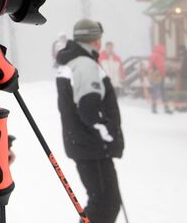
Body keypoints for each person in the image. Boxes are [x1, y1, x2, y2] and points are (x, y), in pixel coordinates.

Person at [55, 19, 124, 223]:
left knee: (103, 202)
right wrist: (109, 133)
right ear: (95, 39)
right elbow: (89, 110)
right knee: (106, 203)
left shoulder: (74, 62)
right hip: (93, 146)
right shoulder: (85, 65)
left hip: (85, 144)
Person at [148, 44, 172, 114]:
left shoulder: (152, 55)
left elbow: (150, 66)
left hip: (153, 75)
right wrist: (163, 74)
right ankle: (166, 108)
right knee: (163, 92)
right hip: (159, 76)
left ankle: (154, 107)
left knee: (155, 91)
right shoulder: (159, 56)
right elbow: (161, 66)